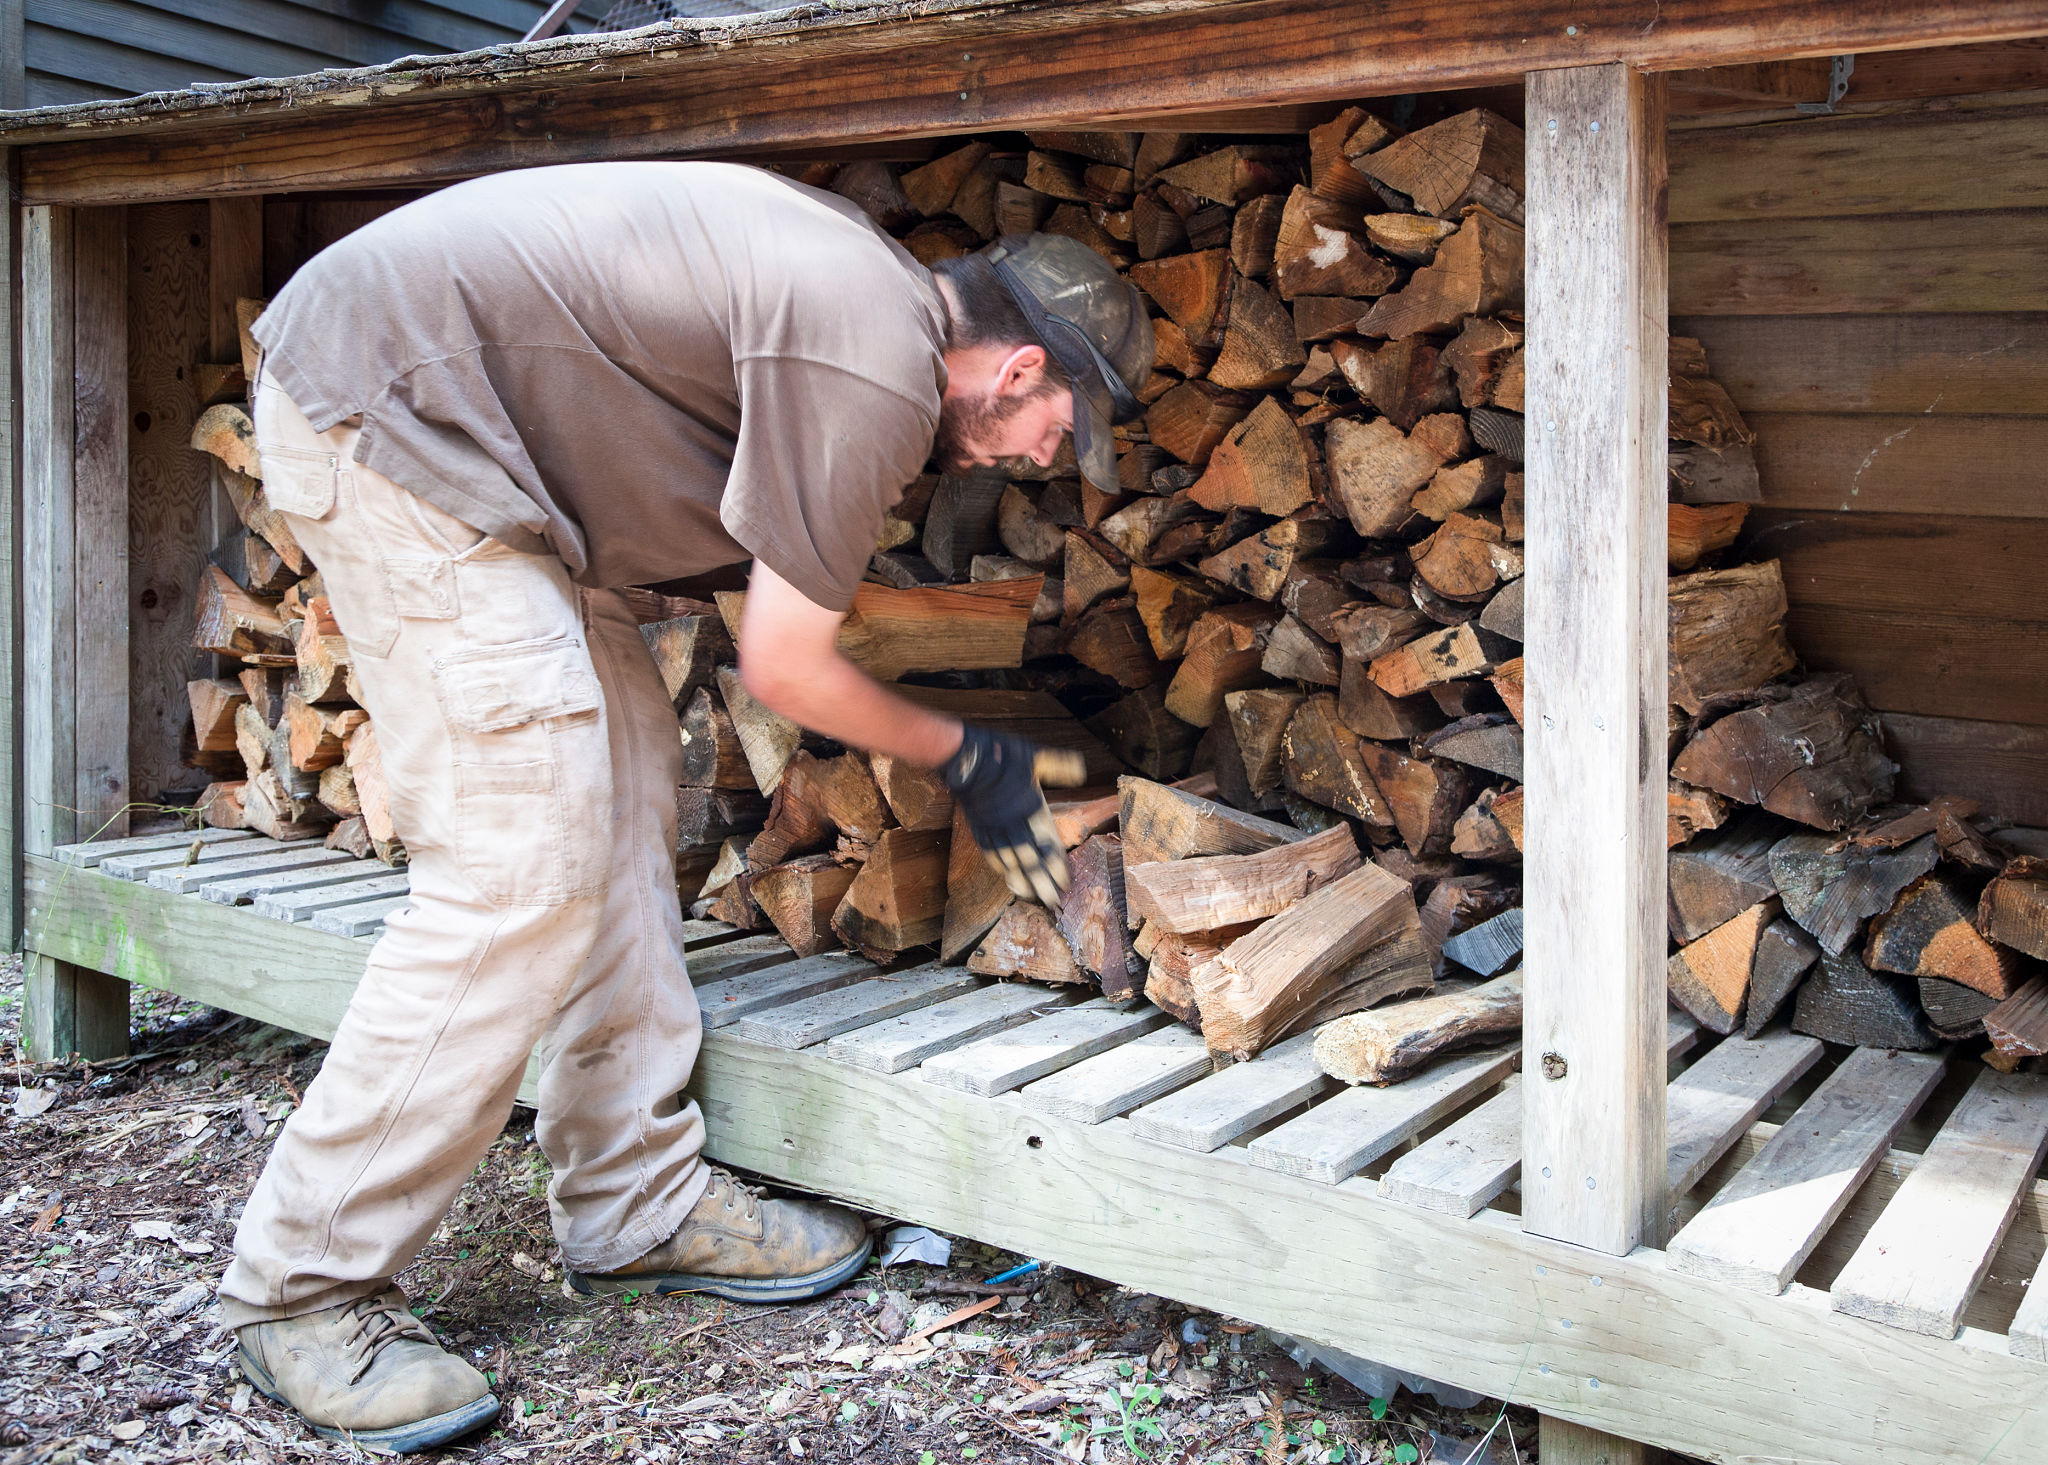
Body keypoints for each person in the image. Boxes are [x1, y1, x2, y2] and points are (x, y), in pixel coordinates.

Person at [220, 160, 1154, 1454]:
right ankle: (302, 1285)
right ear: (1015, 373)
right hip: (400, 419)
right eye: (1063, 424)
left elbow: (787, 596)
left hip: (510, 484)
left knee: (626, 771)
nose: (1054, 456)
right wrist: (968, 754)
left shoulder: (867, 311)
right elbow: (782, 664)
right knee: (524, 852)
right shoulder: (874, 361)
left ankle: (630, 1197)